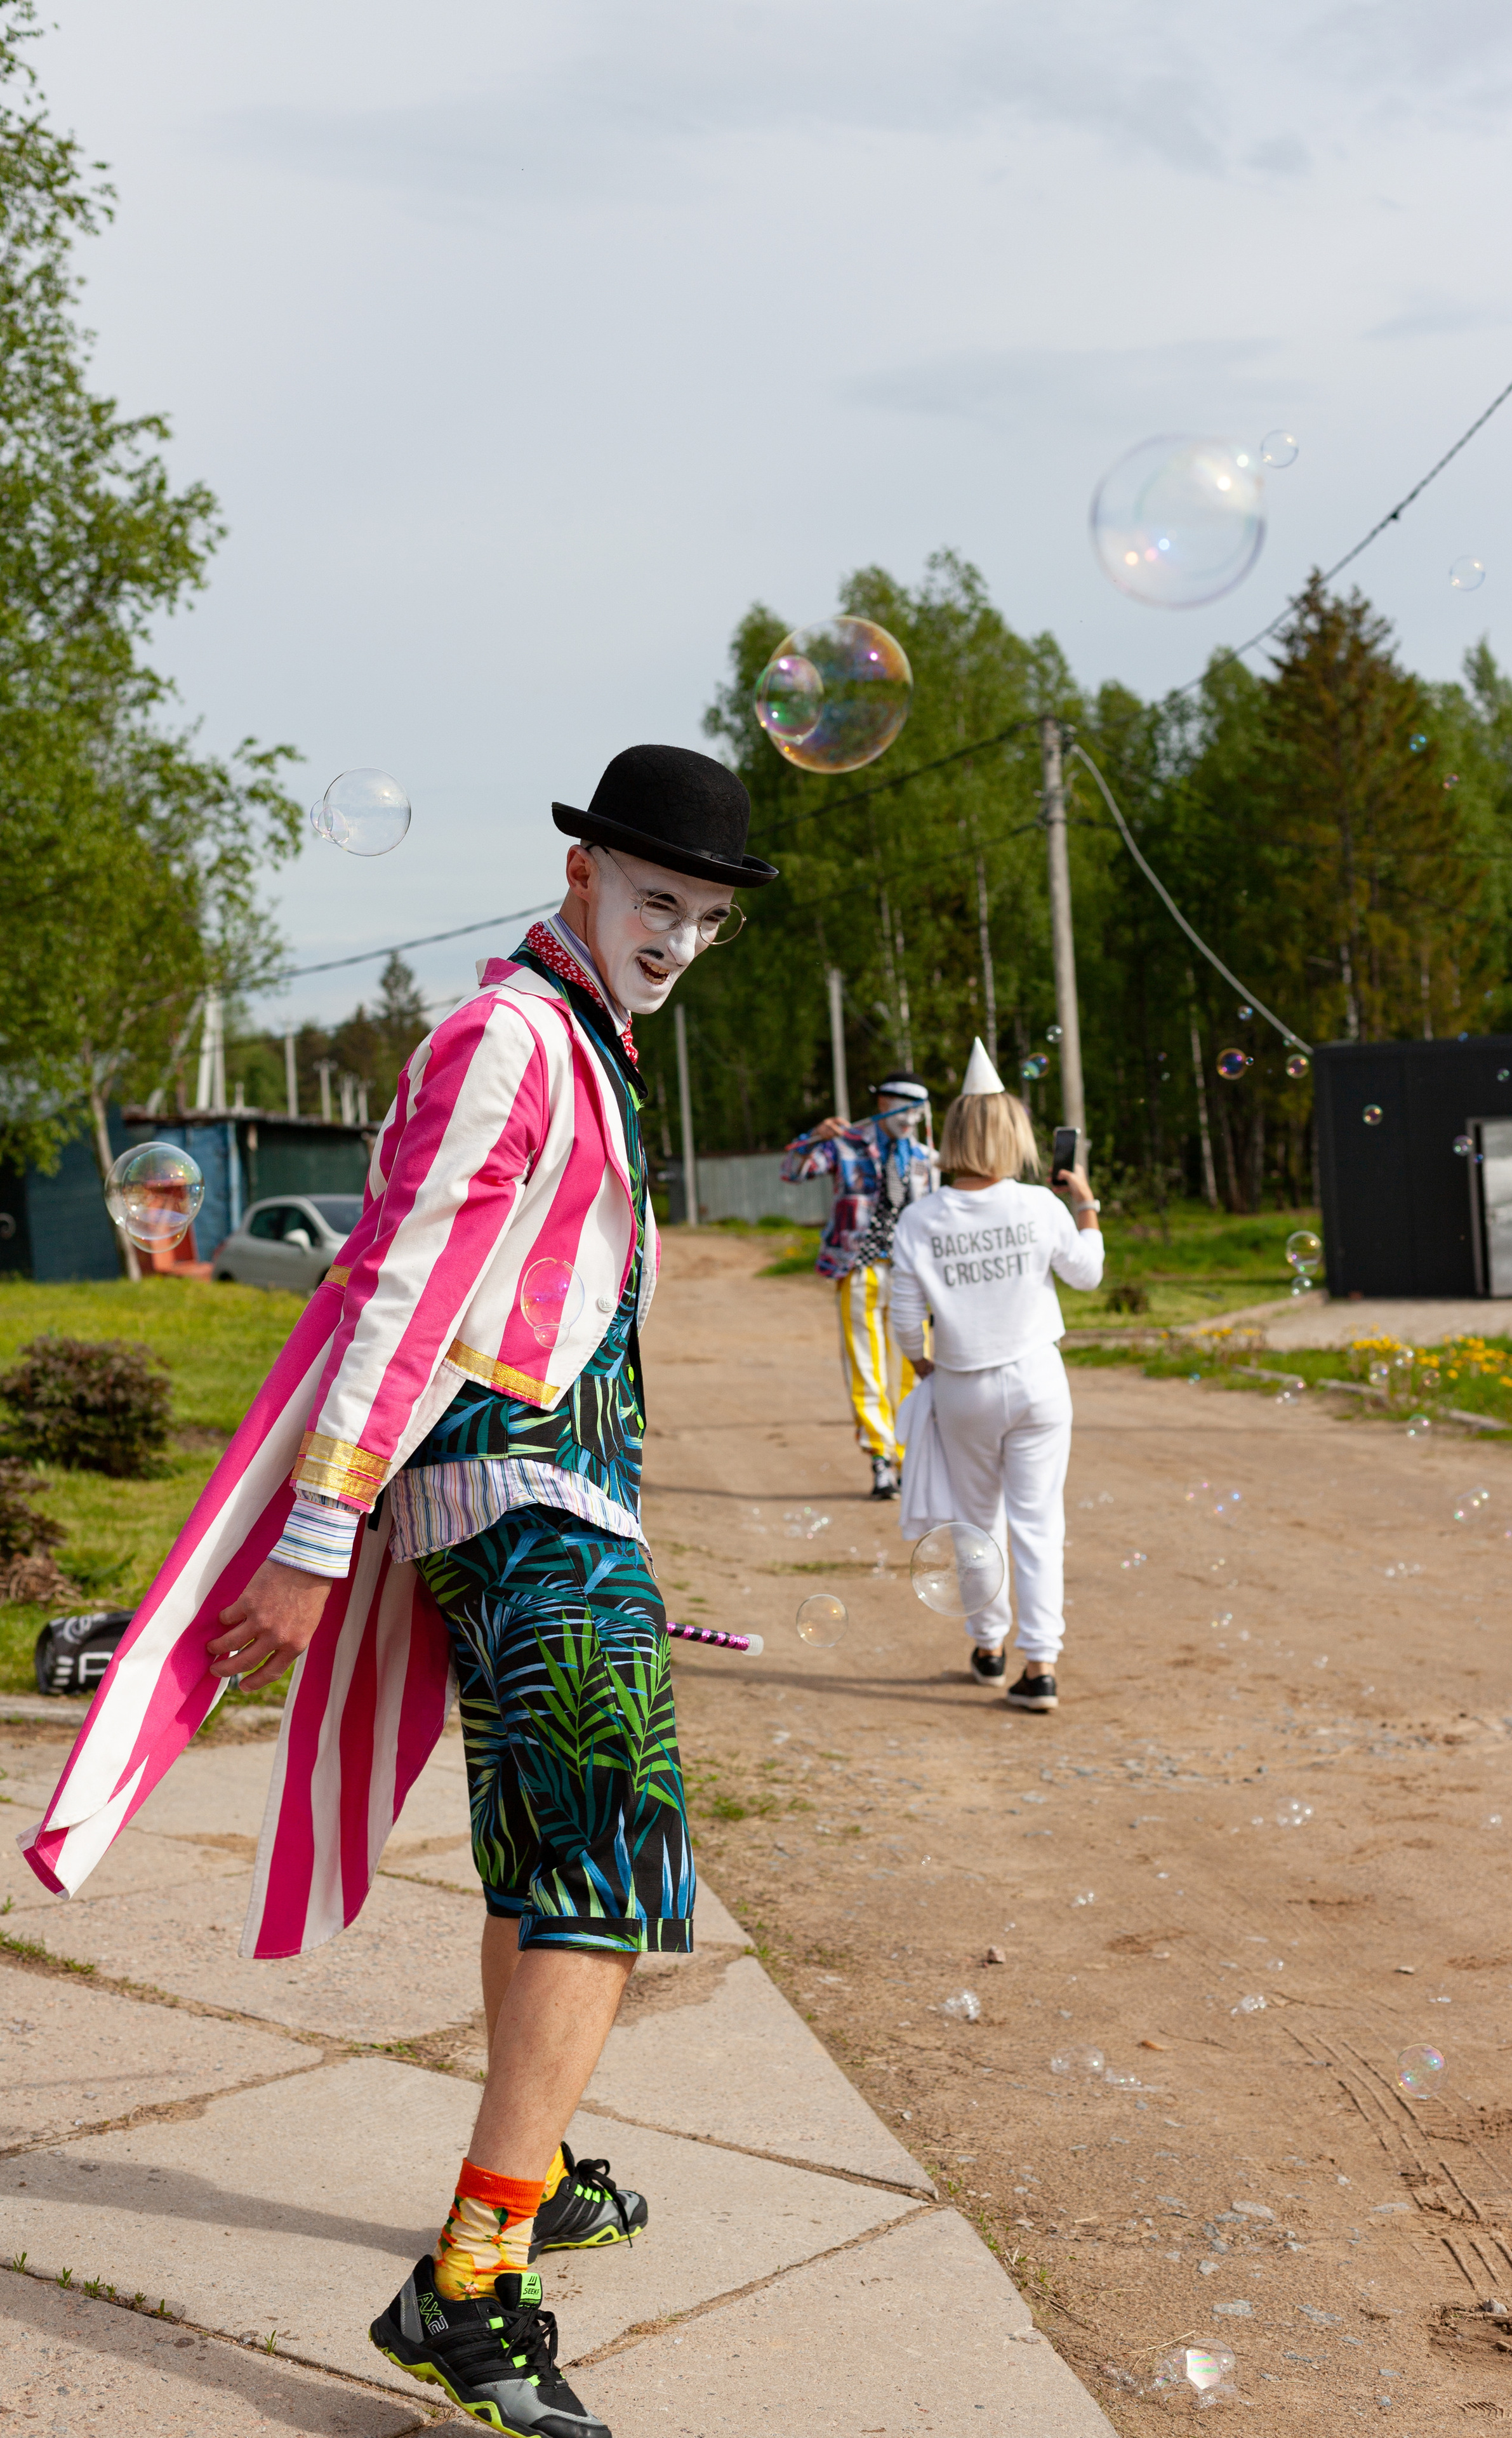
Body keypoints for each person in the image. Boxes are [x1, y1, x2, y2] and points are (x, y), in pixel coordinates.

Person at [22, 743, 775, 2438]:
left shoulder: (590, 1035)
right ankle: (471, 2288)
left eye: (708, 918)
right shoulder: (509, 1035)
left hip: (551, 1498)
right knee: (607, 1869)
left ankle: (535, 2158)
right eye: (657, 899)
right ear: (583, 874)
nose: (678, 938)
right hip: (522, 1497)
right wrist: (308, 1539)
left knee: (541, 1854)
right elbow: (401, 1291)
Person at [888, 1037, 1103, 1713]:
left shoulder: (921, 1219)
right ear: (1014, 1135)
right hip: (1039, 1378)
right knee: (1041, 1523)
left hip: (963, 1387)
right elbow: (1087, 1273)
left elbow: (901, 1316)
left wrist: (926, 1363)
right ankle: (1040, 1666)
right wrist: (1086, 1205)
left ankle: (988, 1649)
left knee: (976, 1522)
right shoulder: (1042, 1206)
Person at [781, 1070, 935, 1497]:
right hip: (859, 1267)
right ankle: (880, 1457)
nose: (909, 1121)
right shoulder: (845, 1146)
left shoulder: (924, 1157)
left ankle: (909, 1454)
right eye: (902, 1109)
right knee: (865, 1365)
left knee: (914, 1364)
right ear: (882, 1105)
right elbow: (792, 1170)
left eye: (917, 1112)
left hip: (912, 1276)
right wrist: (815, 1135)